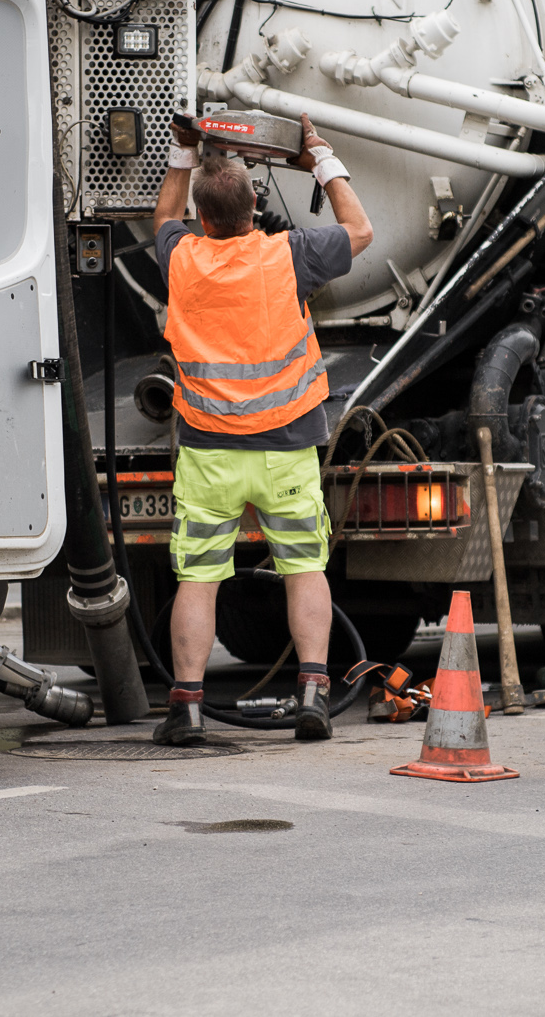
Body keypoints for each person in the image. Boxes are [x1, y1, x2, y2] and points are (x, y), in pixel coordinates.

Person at [149, 113, 372, 746]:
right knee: (304, 568)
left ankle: (187, 708)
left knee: (199, 577)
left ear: (204, 217)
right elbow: (361, 229)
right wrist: (321, 158)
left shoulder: (181, 258)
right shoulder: (288, 256)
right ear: (255, 207)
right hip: (286, 448)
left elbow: (162, 218)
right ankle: (311, 696)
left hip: (210, 453)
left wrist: (183, 151)